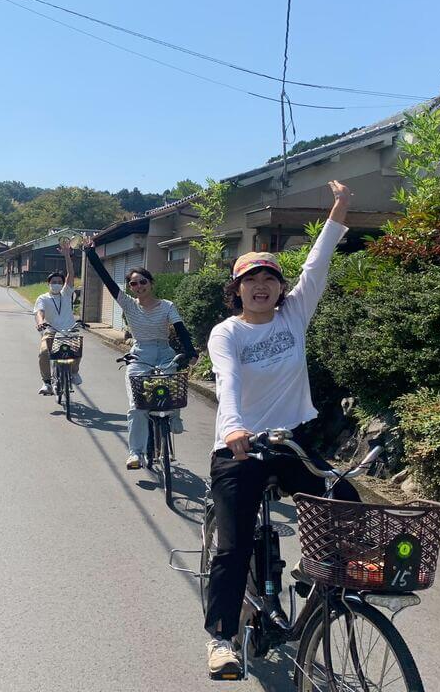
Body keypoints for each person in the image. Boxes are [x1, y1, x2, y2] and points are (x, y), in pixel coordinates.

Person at [203, 180, 361, 679]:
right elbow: (227, 382)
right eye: (251, 281)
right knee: (233, 547)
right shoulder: (227, 332)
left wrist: (338, 211)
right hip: (239, 449)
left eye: (269, 278)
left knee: (346, 496)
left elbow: (316, 266)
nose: (261, 286)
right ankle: (221, 638)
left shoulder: (293, 315)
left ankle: (319, 578)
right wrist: (232, 429)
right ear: (238, 291)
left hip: (289, 443)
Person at [82, 242, 198, 469]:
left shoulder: (166, 306)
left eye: (142, 282)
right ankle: (136, 453)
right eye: (133, 283)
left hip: (164, 352)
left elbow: (180, 328)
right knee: (138, 405)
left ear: (151, 283)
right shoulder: (128, 304)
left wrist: (190, 351)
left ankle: (174, 416)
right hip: (140, 353)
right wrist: (90, 253)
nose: (138, 286)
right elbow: (106, 279)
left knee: (173, 385)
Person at [34, 241, 81, 395]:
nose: (56, 284)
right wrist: (41, 322)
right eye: (53, 282)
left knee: (77, 350)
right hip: (51, 330)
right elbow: (39, 312)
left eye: (59, 282)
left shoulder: (66, 293)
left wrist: (67, 255)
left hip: (69, 329)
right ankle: (47, 382)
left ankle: (74, 372)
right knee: (43, 353)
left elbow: (71, 274)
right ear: (48, 283)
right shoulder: (42, 297)